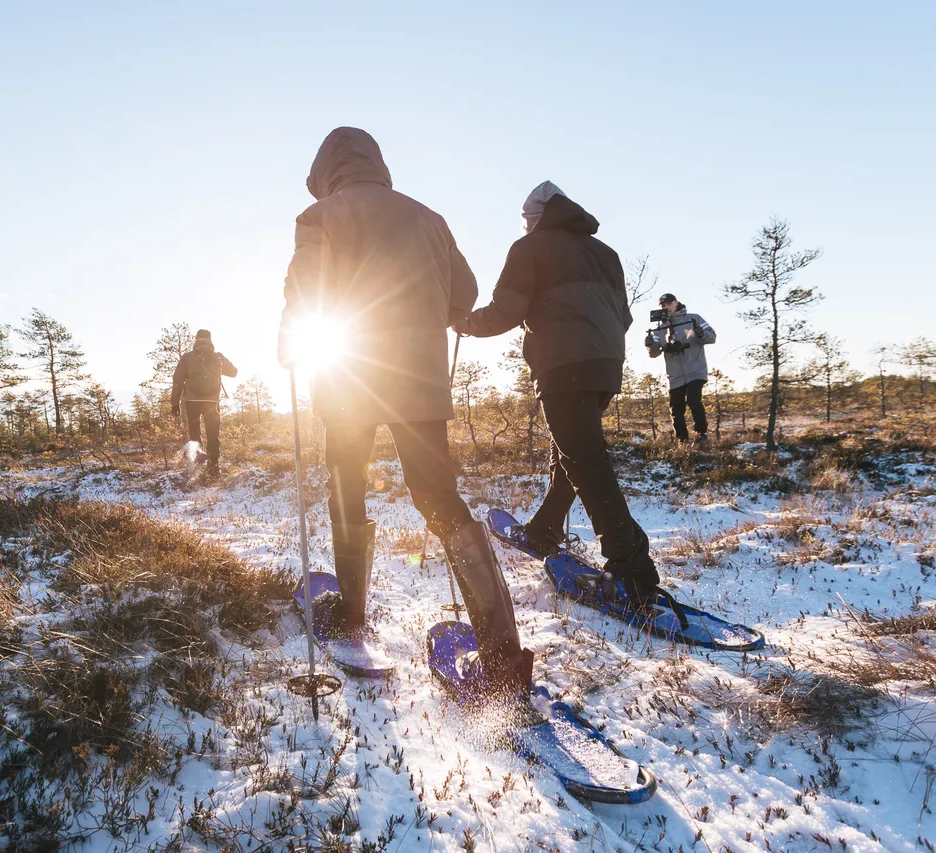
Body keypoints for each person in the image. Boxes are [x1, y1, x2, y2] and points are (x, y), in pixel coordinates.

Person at [278, 126, 533, 699]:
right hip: (416, 377)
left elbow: (304, 291)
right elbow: (463, 293)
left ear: (327, 171)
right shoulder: (428, 217)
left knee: (347, 481)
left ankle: (349, 611)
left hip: (348, 375)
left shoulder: (320, 217)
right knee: (437, 496)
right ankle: (500, 651)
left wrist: (290, 341)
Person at [454, 181, 661, 605]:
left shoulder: (529, 248)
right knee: (572, 451)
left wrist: (462, 323)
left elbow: (505, 313)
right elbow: (623, 317)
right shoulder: (606, 254)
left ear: (533, 218)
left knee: (585, 460)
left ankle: (633, 569)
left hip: (564, 364)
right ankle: (546, 528)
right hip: (606, 364)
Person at [645, 293, 716, 443]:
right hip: (675, 375)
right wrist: (650, 344)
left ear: (676, 303)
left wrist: (701, 333)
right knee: (676, 409)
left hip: (695, 369)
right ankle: (682, 440)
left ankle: (701, 434)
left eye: (669, 304)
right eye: (663, 305)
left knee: (693, 400)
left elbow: (712, 337)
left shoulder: (694, 318)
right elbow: (653, 353)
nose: (666, 307)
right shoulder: (661, 328)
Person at [170, 329, 237, 480]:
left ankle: (197, 468)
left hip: (192, 402)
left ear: (197, 340)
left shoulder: (187, 357)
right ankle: (213, 468)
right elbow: (233, 372)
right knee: (213, 435)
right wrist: (222, 359)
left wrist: (175, 403)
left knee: (195, 434)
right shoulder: (217, 357)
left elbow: (178, 381)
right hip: (212, 402)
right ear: (210, 340)